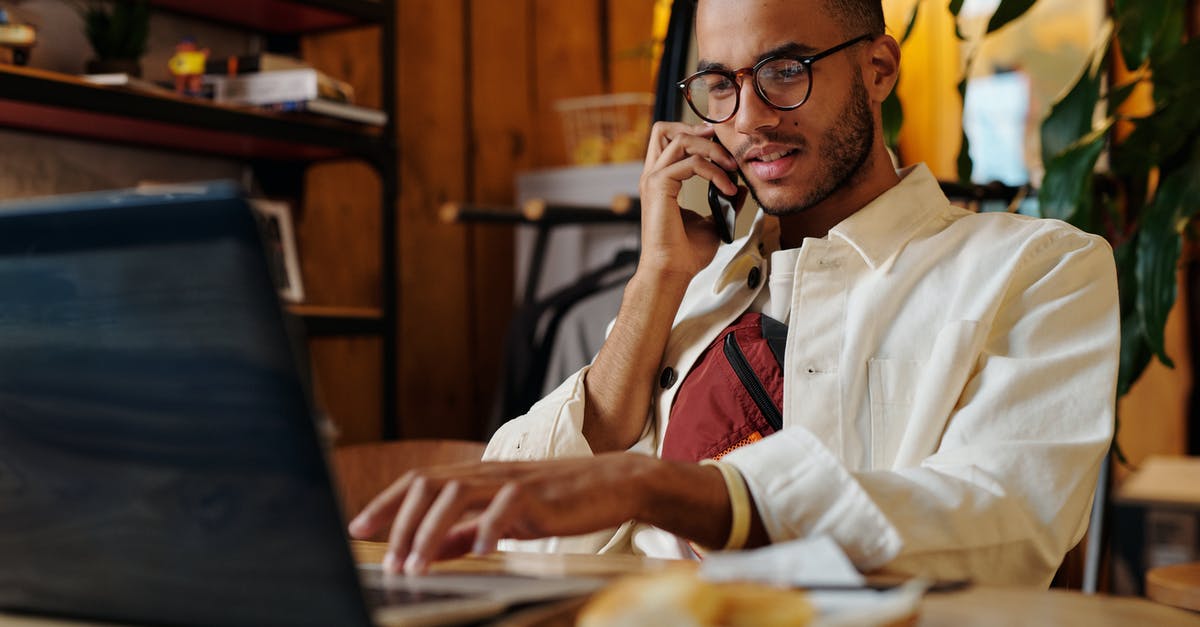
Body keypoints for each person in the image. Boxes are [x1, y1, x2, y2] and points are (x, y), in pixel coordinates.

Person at [349, 0, 1118, 587]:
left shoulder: (1039, 269)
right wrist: (655, 281)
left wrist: (664, 488)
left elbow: (1002, 525)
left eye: (786, 70)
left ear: (879, 69)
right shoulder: (691, 283)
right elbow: (524, 529)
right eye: (721, 84)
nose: (749, 120)